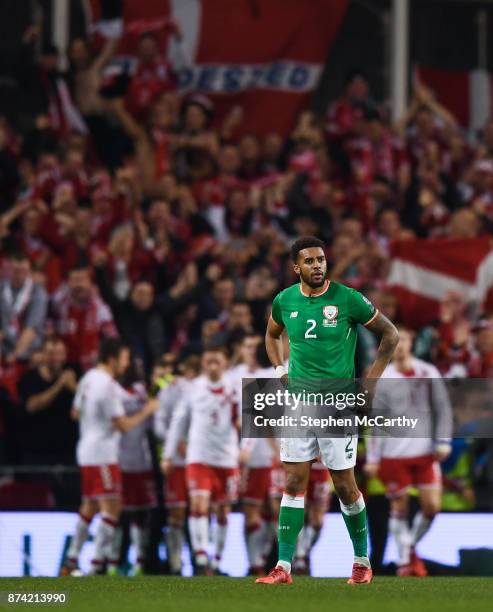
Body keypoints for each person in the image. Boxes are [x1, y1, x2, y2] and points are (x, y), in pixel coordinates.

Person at [256, 235, 399, 585]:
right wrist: (280, 371)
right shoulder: (284, 300)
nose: (317, 265)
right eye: (309, 261)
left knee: (345, 485)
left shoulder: (347, 298)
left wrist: (371, 382)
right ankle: (283, 567)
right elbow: (272, 335)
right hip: (299, 403)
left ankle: (362, 562)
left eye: (321, 259)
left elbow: (390, 335)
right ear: (296, 268)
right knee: (292, 481)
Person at [61, 338, 158, 575]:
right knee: (112, 507)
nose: (126, 365)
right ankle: (97, 564)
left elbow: (75, 413)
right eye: (124, 359)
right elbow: (123, 425)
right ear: (112, 358)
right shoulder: (105, 384)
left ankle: (71, 560)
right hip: (103, 453)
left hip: (86, 449)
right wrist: (147, 410)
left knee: (89, 506)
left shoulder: (88, 379)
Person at [364, 327, 453, 577]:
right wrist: (373, 459)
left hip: (425, 453)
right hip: (394, 455)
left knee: (431, 507)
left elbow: (443, 409)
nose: (399, 345)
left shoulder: (428, 372)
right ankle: (405, 561)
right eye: (395, 341)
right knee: (399, 509)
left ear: (411, 343)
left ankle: (410, 546)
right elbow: (376, 422)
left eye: (404, 340)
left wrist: (443, 441)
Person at [162, 346, 240, 575]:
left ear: (225, 363)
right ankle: (200, 556)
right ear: (203, 365)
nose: (213, 365)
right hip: (199, 456)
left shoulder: (235, 387)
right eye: (209, 362)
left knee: (223, 512)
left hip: (227, 457)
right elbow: (178, 421)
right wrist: (168, 455)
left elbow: (252, 418)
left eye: (217, 361)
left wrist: (245, 447)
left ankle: (216, 561)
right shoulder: (193, 388)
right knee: (198, 505)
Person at [155, 354, 201, 575]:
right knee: (177, 513)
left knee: (200, 510)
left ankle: (199, 559)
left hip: (201, 459)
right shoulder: (169, 391)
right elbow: (160, 426)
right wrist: (176, 446)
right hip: (177, 461)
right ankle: (175, 563)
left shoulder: (204, 389)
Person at [17, 337, 77, 466]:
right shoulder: (29, 378)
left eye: (60, 353)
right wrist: (59, 384)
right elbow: (31, 406)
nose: (57, 358)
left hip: (68, 453)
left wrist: (74, 388)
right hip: (38, 453)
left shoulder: (74, 374)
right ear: (43, 356)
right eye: (51, 354)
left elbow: (87, 406)